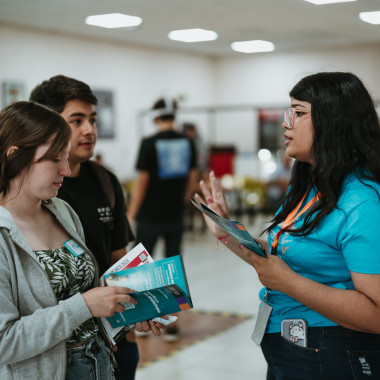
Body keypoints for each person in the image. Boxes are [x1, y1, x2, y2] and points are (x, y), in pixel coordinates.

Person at [196, 72, 380, 379]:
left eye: (298, 112)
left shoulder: (362, 202)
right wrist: (226, 231)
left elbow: (376, 315)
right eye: (288, 112)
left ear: (333, 120)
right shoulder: (313, 185)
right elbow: (281, 255)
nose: (286, 122)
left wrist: (290, 283)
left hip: (333, 352)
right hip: (294, 347)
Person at [0, 101, 163, 380]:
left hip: (99, 364)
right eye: (54, 159)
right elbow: (5, 342)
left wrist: (131, 308)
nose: (65, 169)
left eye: (65, 157)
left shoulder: (61, 211)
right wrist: (84, 306)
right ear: (15, 156)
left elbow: (88, 293)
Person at [30, 75, 138, 379]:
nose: (89, 130)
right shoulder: (37, 194)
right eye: (76, 121)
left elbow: (119, 257)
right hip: (57, 350)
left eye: (92, 119)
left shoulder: (105, 180)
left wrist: (133, 315)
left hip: (112, 337)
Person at [127, 98, 197, 341]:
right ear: (173, 116)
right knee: (173, 269)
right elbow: (192, 177)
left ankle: (142, 320)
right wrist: (181, 201)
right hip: (174, 214)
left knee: (142, 268)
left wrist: (131, 214)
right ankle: (173, 325)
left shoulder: (149, 143)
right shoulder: (188, 141)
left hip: (149, 215)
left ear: (156, 118)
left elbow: (142, 182)